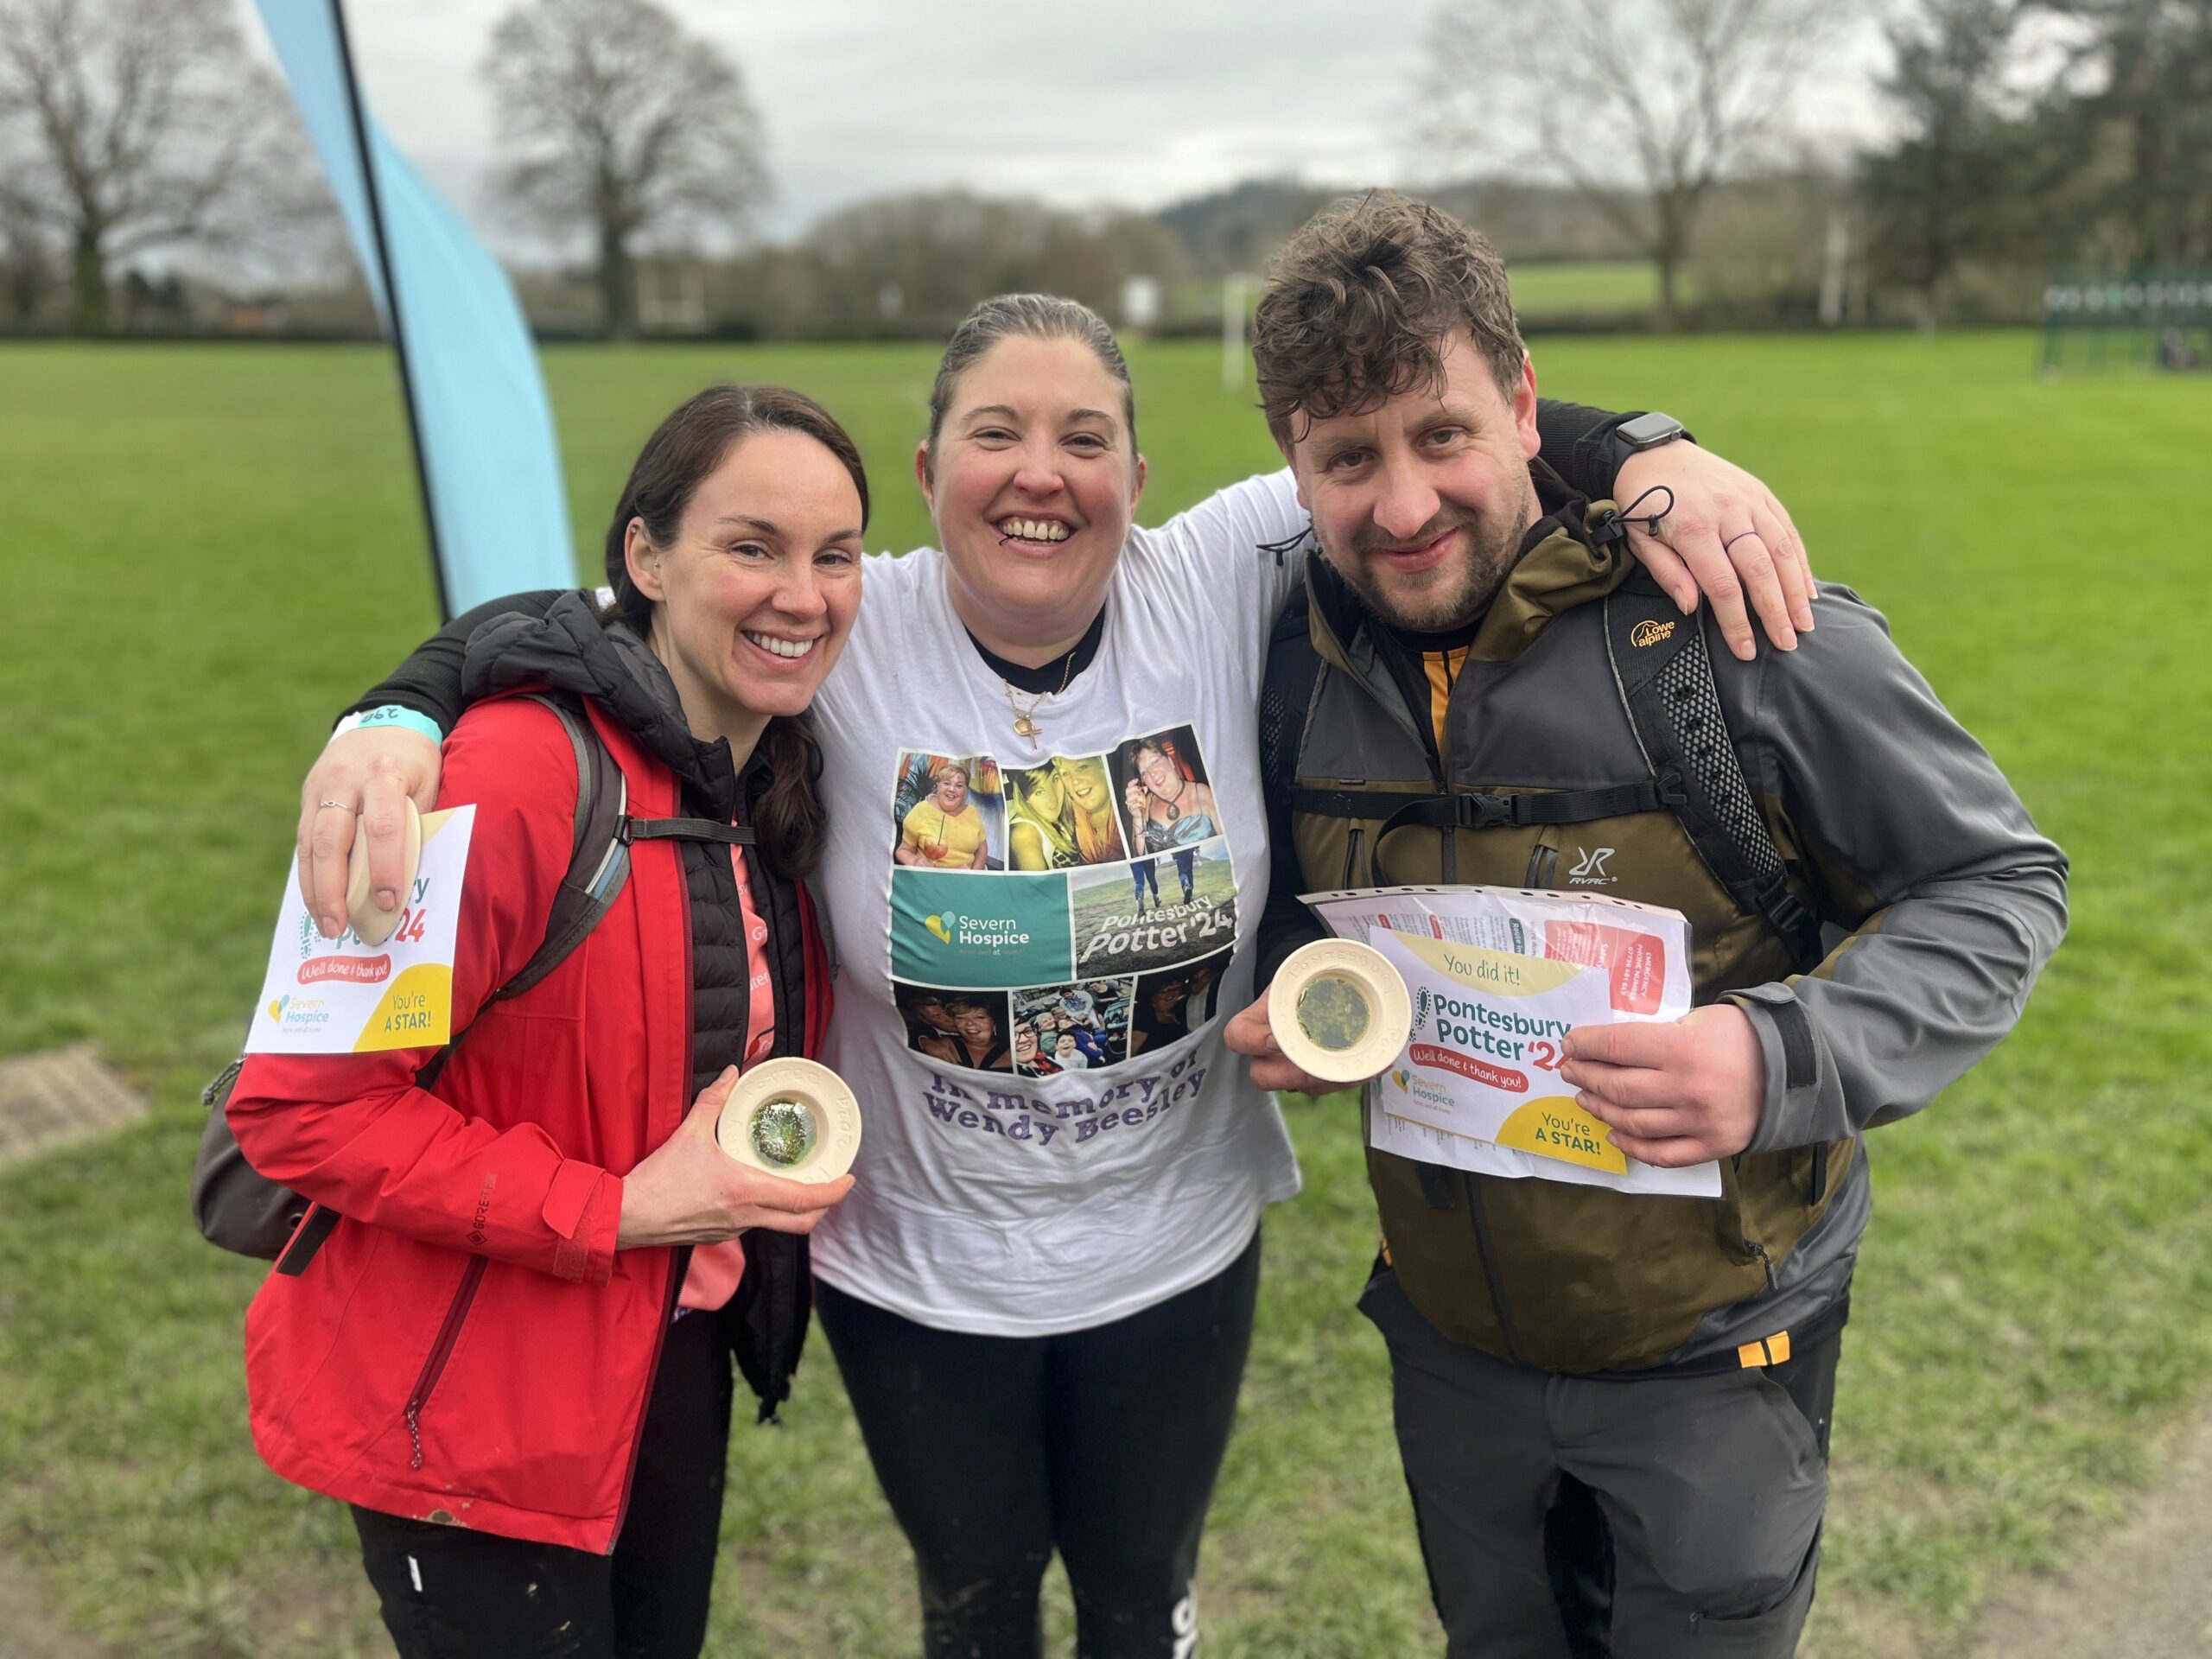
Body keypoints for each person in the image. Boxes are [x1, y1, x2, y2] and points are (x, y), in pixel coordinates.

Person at [294, 284, 1809, 1657]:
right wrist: (403, 704)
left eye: (1084, 436)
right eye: (996, 433)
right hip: (917, 1273)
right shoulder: (839, 617)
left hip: (1174, 1252)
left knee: (1142, 1609)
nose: (1041, 470)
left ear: (1137, 483)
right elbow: (598, 629)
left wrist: (1652, 456)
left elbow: (1421, 452)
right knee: (975, 1611)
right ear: (929, 472)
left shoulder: (1217, 569)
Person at [1224, 194, 2070, 1657]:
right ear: (1296, 465)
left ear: (1529, 404)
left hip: (1715, 1352)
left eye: (1443, 436)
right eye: (1347, 459)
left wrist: (1780, 1054)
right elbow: (1311, 918)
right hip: (1455, 1351)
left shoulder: (1729, 620)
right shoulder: (1293, 657)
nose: (1403, 503)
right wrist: (1310, 998)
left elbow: (1998, 887)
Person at [230, 385, 864, 1658]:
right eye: (752, 547)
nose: (804, 594)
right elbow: (298, 1113)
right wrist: (618, 1212)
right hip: (465, 1405)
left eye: (834, 555)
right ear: (645, 556)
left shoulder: (774, 768)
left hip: (666, 1352)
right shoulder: (508, 774)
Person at [1122, 736, 1219, 906]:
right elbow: (1139, 855)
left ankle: (1186, 885)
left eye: (1154, 762)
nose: (1152, 773)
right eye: (1144, 772)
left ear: (1170, 761)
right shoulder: (1146, 804)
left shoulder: (1203, 793)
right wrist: (1137, 817)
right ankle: (1184, 885)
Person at [896, 760, 989, 868]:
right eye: (946, 783)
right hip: (929, 880)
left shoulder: (972, 812)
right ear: (938, 787)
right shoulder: (921, 810)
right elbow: (902, 851)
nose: (952, 789)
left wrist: (974, 874)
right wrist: (914, 861)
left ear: (965, 792)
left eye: (959, 786)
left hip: (964, 881)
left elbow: (982, 848)